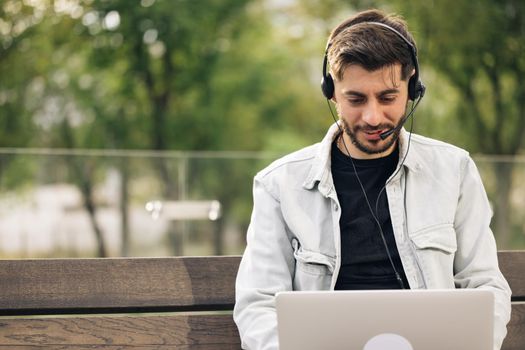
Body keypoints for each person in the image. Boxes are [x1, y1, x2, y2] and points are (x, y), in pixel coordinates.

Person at [233, 8, 511, 350]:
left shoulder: (455, 170)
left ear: (412, 88)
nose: (372, 116)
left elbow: (485, 285)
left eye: (388, 97)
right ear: (331, 91)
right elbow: (257, 306)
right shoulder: (279, 185)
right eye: (356, 98)